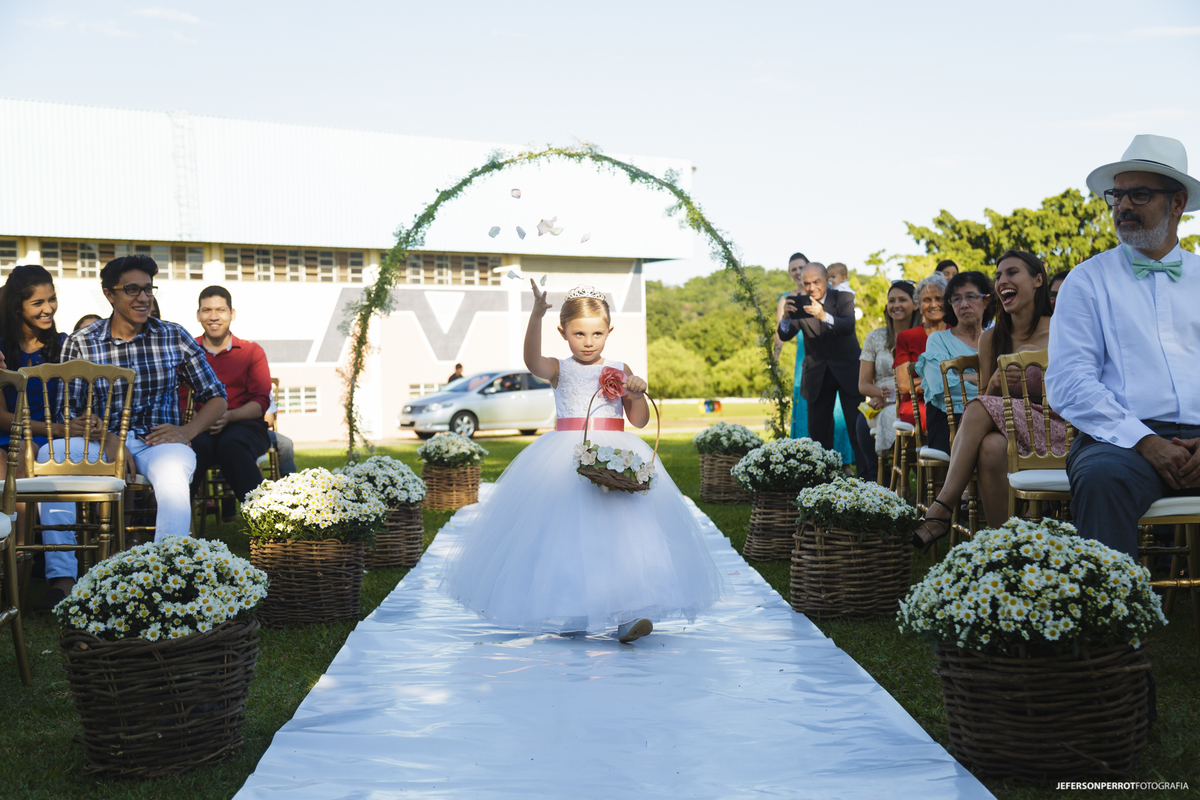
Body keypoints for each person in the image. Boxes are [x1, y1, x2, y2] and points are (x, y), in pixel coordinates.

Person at [439, 282, 724, 644]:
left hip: (616, 456)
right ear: (563, 333)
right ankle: (571, 607)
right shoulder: (559, 368)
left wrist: (635, 393)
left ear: (609, 331)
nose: (588, 342)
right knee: (567, 536)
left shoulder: (620, 368)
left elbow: (638, 421)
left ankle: (628, 612)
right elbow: (531, 361)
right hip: (568, 456)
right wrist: (537, 314)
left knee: (624, 533)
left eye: (596, 333)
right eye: (578, 334)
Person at [1047, 134, 1200, 560]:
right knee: (1101, 479)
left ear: (1177, 203)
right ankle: (1111, 621)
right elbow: (1070, 381)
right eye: (1117, 194)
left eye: (1140, 194)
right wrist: (1146, 441)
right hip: (1119, 441)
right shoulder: (1087, 280)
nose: (1123, 206)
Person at [41, 255, 227, 549]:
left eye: (149, 289)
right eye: (132, 290)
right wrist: (110, 439)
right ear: (109, 295)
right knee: (49, 456)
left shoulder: (173, 335)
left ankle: (169, 569)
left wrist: (187, 432)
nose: (144, 298)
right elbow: (72, 415)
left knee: (173, 471)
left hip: (159, 442)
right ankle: (62, 575)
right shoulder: (80, 342)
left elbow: (217, 397)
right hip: (100, 443)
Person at [912, 251, 1065, 551]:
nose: (1002, 281)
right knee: (990, 446)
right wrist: (994, 381)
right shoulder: (991, 339)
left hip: (1057, 430)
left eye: (1011, 273)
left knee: (980, 407)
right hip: (1010, 432)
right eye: (998, 276)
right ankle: (1005, 548)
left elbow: (1074, 392)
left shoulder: (1062, 330)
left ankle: (942, 508)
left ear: (1037, 280)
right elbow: (989, 399)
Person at [0, 266, 76, 611]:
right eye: (38, 302)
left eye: (52, 299)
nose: (48, 308)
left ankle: (53, 578)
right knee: (13, 480)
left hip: (54, 443)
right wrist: (56, 429)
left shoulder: (63, 346)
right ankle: (14, 583)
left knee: (36, 465)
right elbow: (1, 417)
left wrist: (70, 426)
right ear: (18, 307)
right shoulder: (3, 348)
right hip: (8, 437)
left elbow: (74, 404)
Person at [190, 286, 272, 522]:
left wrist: (228, 416)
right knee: (190, 450)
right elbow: (179, 397)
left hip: (244, 426)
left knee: (231, 444)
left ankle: (266, 521)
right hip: (199, 427)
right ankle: (172, 529)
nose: (213, 316)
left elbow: (260, 402)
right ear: (198, 315)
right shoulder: (188, 351)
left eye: (220, 310)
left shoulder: (251, 352)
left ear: (232, 313)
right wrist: (204, 421)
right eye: (207, 310)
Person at [777, 262, 864, 470]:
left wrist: (822, 315)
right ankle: (823, 483)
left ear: (827, 280)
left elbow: (847, 325)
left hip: (848, 372)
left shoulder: (843, 297)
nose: (812, 287)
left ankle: (867, 480)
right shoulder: (800, 303)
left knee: (856, 429)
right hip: (817, 375)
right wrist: (786, 318)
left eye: (816, 282)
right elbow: (785, 334)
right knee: (819, 433)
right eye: (807, 283)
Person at [914, 271, 994, 454]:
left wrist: (962, 376)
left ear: (986, 301)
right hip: (950, 420)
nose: (964, 304)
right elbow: (939, 385)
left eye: (971, 297)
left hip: (993, 417)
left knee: (1001, 443)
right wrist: (981, 381)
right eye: (956, 299)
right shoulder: (938, 340)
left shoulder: (997, 340)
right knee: (990, 445)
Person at [857, 280, 920, 483]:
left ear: (916, 304)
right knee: (862, 421)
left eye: (902, 299)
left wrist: (896, 398)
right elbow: (863, 384)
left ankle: (906, 481)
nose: (896, 305)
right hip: (881, 399)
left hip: (914, 397)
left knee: (900, 417)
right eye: (891, 300)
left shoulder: (923, 336)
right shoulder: (875, 337)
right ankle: (879, 480)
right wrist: (879, 394)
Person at [893, 273, 948, 431]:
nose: (933, 304)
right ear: (918, 304)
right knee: (939, 416)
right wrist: (943, 381)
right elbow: (903, 386)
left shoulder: (956, 332)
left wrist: (921, 382)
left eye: (939, 299)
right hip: (917, 403)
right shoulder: (906, 337)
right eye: (927, 300)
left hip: (953, 399)